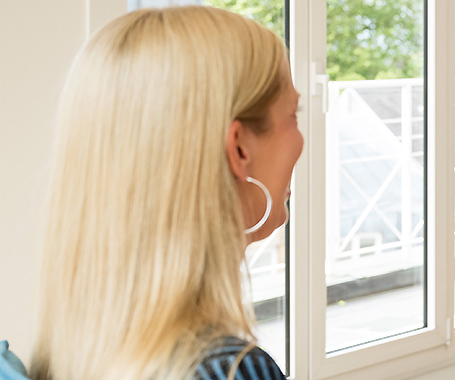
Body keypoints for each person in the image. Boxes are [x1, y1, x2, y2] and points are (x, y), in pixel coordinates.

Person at [29, 6, 301, 380]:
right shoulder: (230, 370)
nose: (302, 140)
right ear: (239, 149)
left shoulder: (74, 349)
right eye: (293, 115)